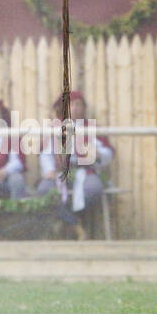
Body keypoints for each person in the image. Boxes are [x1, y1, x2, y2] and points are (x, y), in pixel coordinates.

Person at [36, 91, 113, 235]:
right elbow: (45, 153)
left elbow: (107, 153)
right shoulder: (54, 128)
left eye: (78, 104)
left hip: (85, 171)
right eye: (70, 104)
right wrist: (48, 170)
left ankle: (70, 219)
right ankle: (74, 224)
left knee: (94, 189)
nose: (75, 108)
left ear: (83, 108)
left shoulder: (91, 128)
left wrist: (98, 154)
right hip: (59, 172)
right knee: (44, 190)